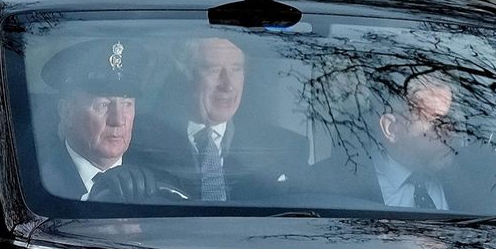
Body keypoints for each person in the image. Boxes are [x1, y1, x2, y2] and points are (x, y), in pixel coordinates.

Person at [125, 37, 308, 202]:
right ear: (186, 75)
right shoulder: (134, 142)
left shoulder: (284, 148)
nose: (227, 85)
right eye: (213, 70)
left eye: (236, 69)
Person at [310, 73, 457, 210]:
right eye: (437, 123)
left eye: (452, 121)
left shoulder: (458, 182)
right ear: (391, 129)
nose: (450, 131)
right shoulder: (326, 188)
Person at [38, 39, 157, 201]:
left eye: (127, 104)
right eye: (103, 104)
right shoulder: (40, 185)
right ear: (67, 112)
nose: (118, 120)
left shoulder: (156, 181)